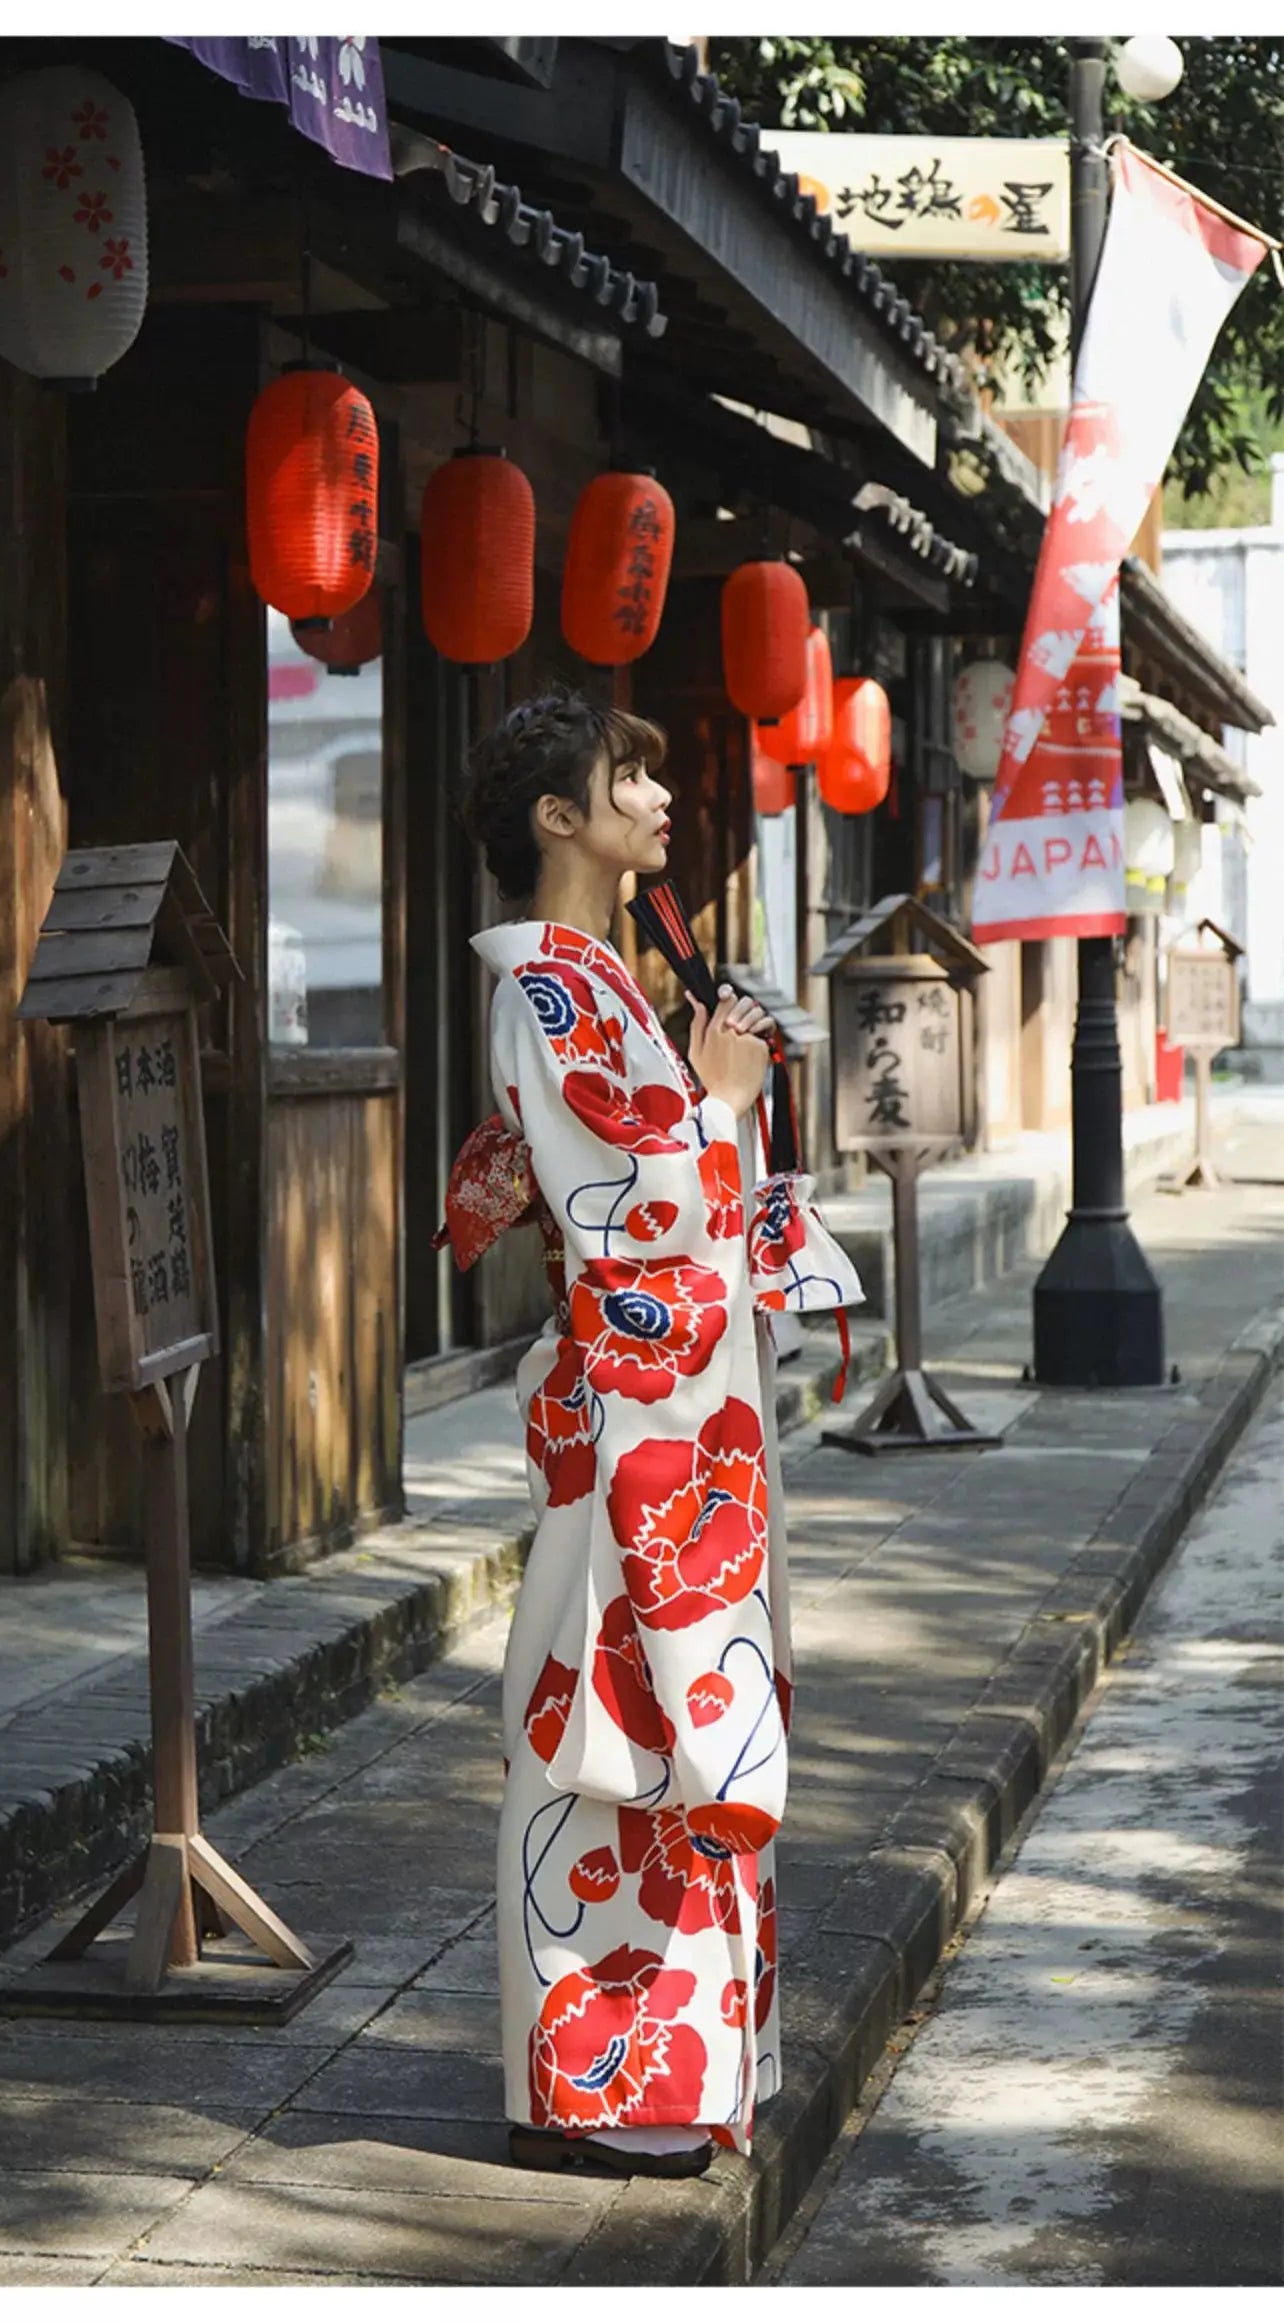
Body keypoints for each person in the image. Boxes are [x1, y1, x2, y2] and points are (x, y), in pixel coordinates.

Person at [444, 688, 796, 2181]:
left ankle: (656, 2068)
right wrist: (714, 1112)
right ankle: (596, 2083)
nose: (658, 796)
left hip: (666, 1421)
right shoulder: (548, 987)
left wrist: (719, 1108)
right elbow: (631, 1224)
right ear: (557, 821)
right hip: (639, 1424)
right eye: (627, 775)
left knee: (648, 1726)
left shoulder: (596, 979)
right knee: (618, 1733)